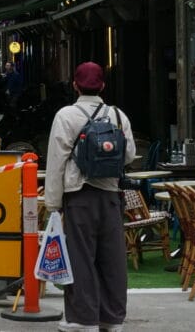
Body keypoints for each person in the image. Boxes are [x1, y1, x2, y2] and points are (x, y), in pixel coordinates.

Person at [44, 62, 136, 332]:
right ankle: (113, 318)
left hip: (79, 195)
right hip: (110, 194)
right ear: (103, 86)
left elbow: (56, 162)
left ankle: (82, 319)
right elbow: (129, 155)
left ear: (75, 85)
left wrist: (53, 203)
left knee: (81, 256)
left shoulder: (66, 115)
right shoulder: (119, 116)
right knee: (113, 258)